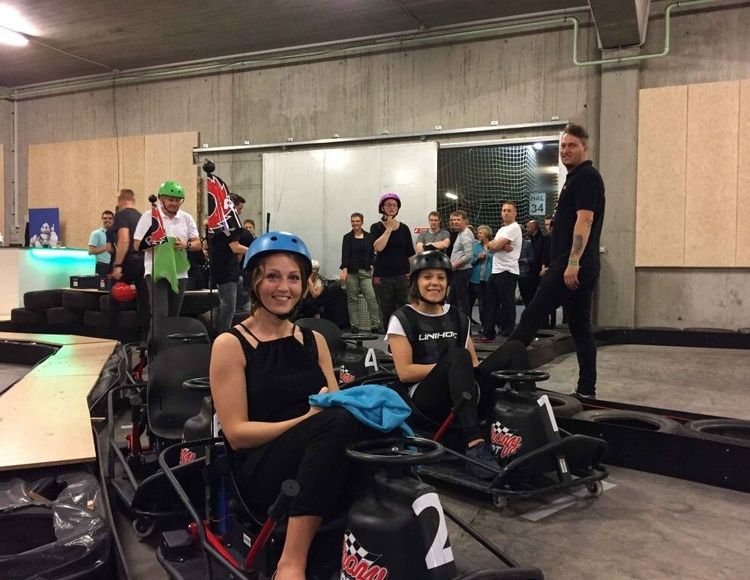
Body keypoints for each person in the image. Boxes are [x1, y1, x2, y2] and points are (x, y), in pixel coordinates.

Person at [210, 231, 382, 580]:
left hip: (317, 454)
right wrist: (307, 420)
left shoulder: (313, 340)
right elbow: (237, 434)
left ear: (304, 285)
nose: (283, 287)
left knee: (366, 422)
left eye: (293, 278)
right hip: (263, 467)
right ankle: (290, 562)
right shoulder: (230, 344)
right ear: (254, 282)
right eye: (272, 276)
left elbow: (334, 404)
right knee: (338, 421)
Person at [387, 250, 531, 480]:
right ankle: (474, 444)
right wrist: (451, 369)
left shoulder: (457, 316)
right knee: (457, 356)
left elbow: (473, 364)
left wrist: (466, 373)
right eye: (427, 277)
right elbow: (404, 373)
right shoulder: (402, 318)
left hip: (461, 387)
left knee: (515, 348)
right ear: (416, 282)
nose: (434, 283)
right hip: (424, 400)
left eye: (440, 278)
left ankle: (528, 422)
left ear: (447, 283)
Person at [509, 124, 606, 398]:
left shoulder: (586, 176)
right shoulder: (573, 179)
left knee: (530, 317)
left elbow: (585, 220)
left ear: (585, 148)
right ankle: (587, 389)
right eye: (563, 146)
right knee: (580, 328)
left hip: (570, 266)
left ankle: (499, 379)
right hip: (571, 265)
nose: (565, 150)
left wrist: (572, 263)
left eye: (572, 145)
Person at [134, 180, 200, 321]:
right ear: (161, 199)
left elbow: (198, 244)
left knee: (174, 314)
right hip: (156, 271)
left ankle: (170, 336)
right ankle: (156, 336)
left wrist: (186, 245)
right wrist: (158, 246)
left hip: (179, 272)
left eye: (177, 200)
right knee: (160, 313)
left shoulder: (186, 218)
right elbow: (137, 244)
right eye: (171, 200)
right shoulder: (149, 217)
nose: (174, 203)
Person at [477, 201, 522, 342]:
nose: (506, 213)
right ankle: (488, 333)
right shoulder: (502, 229)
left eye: (509, 210)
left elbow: (494, 246)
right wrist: (500, 246)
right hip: (496, 271)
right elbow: (492, 247)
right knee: (490, 303)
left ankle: (508, 333)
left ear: (515, 213)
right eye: (504, 210)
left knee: (507, 303)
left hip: (508, 271)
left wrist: (495, 245)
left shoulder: (514, 228)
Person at [370, 193, 415, 329]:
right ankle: (390, 336)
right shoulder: (376, 227)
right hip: (383, 276)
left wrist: (415, 272)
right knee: (386, 310)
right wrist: (389, 228)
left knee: (405, 308)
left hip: (402, 274)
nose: (391, 207)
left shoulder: (404, 228)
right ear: (382, 208)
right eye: (388, 204)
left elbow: (410, 253)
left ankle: (406, 334)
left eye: (394, 205)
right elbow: (378, 247)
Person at [108, 189, 149, 342]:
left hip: (128, 260)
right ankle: (144, 338)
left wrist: (118, 264)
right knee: (144, 301)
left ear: (120, 201)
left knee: (114, 299)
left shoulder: (121, 215)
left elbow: (124, 239)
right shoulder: (141, 216)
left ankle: (115, 338)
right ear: (133, 200)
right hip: (143, 261)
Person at [208, 206, 249, 332]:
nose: (240, 212)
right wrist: (255, 250)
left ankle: (219, 321)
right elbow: (235, 247)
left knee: (242, 297)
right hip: (225, 271)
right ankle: (223, 333)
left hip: (230, 269)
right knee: (228, 307)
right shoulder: (229, 226)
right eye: (239, 209)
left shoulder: (218, 226)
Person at [339, 212, 380, 333]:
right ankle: (354, 325)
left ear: (362, 222)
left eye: (357, 221)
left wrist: (372, 264)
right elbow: (345, 254)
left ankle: (375, 325)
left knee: (371, 297)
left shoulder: (369, 237)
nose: (355, 223)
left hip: (365, 272)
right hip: (352, 272)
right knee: (352, 298)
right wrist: (344, 269)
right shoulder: (347, 238)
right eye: (353, 221)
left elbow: (373, 253)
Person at [448, 210, 474, 319]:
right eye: (453, 220)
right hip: (458, 271)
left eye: (458, 219)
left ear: (465, 221)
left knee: (461, 300)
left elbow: (469, 256)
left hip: (462, 272)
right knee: (452, 300)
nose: (455, 222)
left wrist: (453, 266)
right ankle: (453, 322)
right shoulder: (461, 233)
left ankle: (466, 324)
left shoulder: (466, 235)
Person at [473, 225, 494, 329]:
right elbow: (470, 260)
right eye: (478, 233)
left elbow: (497, 260)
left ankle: (493, 325)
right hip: (477, 280)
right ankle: (484, 326)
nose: (478, 234)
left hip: (490, 279)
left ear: (487, 234)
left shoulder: (494, 245)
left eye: (480, 233)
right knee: (482, 304)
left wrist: (488, 255)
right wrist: (477, 257)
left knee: (491, 304)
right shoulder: (475, 246)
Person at [88, 210, 114, 277]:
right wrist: (107, 247)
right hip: (102, 266)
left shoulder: (117, 233)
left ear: (113, 220)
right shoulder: (96, 234)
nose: (107, 220)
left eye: (110, 218)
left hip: (114, 266)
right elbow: (91, 251)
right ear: (102, 219)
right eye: (105, 218)